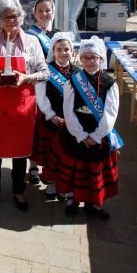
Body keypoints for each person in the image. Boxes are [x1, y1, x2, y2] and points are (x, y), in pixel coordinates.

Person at [0, 0, 48, 212]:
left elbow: (45, 73)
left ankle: (18, 191)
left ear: (21, 17)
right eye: (6, 16)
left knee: (20, 150)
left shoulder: (32, 42)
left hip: (22, 104)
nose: (11, 20)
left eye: (14, 16)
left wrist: (26, 78)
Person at [50, 37, 121, 219]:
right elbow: (68, 110)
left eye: (93, 57)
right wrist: (80, 135)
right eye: (85, 58)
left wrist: (96, 136)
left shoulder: (109, 83)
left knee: (94, 171)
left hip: (99, 136)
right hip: (76, 134)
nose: (89, 61)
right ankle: (72, 200)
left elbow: (110, 113)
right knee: (76, 170)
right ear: (80, 59)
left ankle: (94, 204)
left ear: (101, 59)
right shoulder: (73, 81)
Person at [32, 32, 78, 199]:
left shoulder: (78, 72)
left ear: (72, 51)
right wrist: (51, 115)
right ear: (53, 50)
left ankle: (64, 184)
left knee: (66, 155)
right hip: (51, 120)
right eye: (59, 49)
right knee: (50, 154)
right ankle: (51, 184)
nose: (63, 52)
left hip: (71, 123)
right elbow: (40, 96)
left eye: (67, 49)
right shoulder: (45, 70)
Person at [26, 0, 61, 185]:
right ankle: (32, 166)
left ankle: (50, 165)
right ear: (35, 13)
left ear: (53, 12)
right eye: (40, 10)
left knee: (52, 129)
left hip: (56, 88)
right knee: (34, 127)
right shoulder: (29, 34)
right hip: (36, 85)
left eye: (48, 10)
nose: (44, 14)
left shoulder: (59, 34)